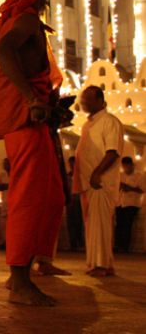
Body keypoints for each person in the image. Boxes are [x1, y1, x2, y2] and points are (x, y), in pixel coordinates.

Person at [0, 0, 64, 306]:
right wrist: (32, 98)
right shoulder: (27, 20)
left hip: (31, 119)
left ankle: (28, 266)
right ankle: (19, 279)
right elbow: (3, 52)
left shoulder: (16, 19)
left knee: (50, 192)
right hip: (25, 119)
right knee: (29, 195)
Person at [73, 85, 122, 277]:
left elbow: (112, 152)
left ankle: (102, 265)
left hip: (100, 182)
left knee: (100, 224)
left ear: (100, 101)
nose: (84, 103)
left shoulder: (109, 122)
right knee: (92, 224)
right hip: (88, 183)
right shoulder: (89, 124)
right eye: (83, 100)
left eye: (88, 100)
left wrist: (96, 173)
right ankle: (98, 263)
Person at [117, 156, 144, 253]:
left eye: (127, 166)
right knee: (119, 224)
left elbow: (142, 190)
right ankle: (118, 245)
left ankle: (125, 247)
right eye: (124, 166)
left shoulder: (139, 175)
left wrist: (130, 188)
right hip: (120, 202)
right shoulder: (120, 175)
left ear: (132, 165)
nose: (126, 168)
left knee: (127, 224)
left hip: (132, 203)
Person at [66, 157, 84, 251]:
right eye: (70, 164)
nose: (72, 165)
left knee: (78, 222)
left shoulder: (81, 175)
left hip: (78, 200)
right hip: (70, 201)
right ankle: (73, 244)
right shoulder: (68, 175)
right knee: (70, 223)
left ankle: (79, 243)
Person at [0, 158, 10, 245]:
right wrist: (9, 186)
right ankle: (4, 241)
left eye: (7, 163)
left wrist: (6, 186)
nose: (5, 165)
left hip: (15, 201)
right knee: (3, 221)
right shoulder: (2, 175)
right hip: (5, 201)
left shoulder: (17, 173)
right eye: (5, 163)